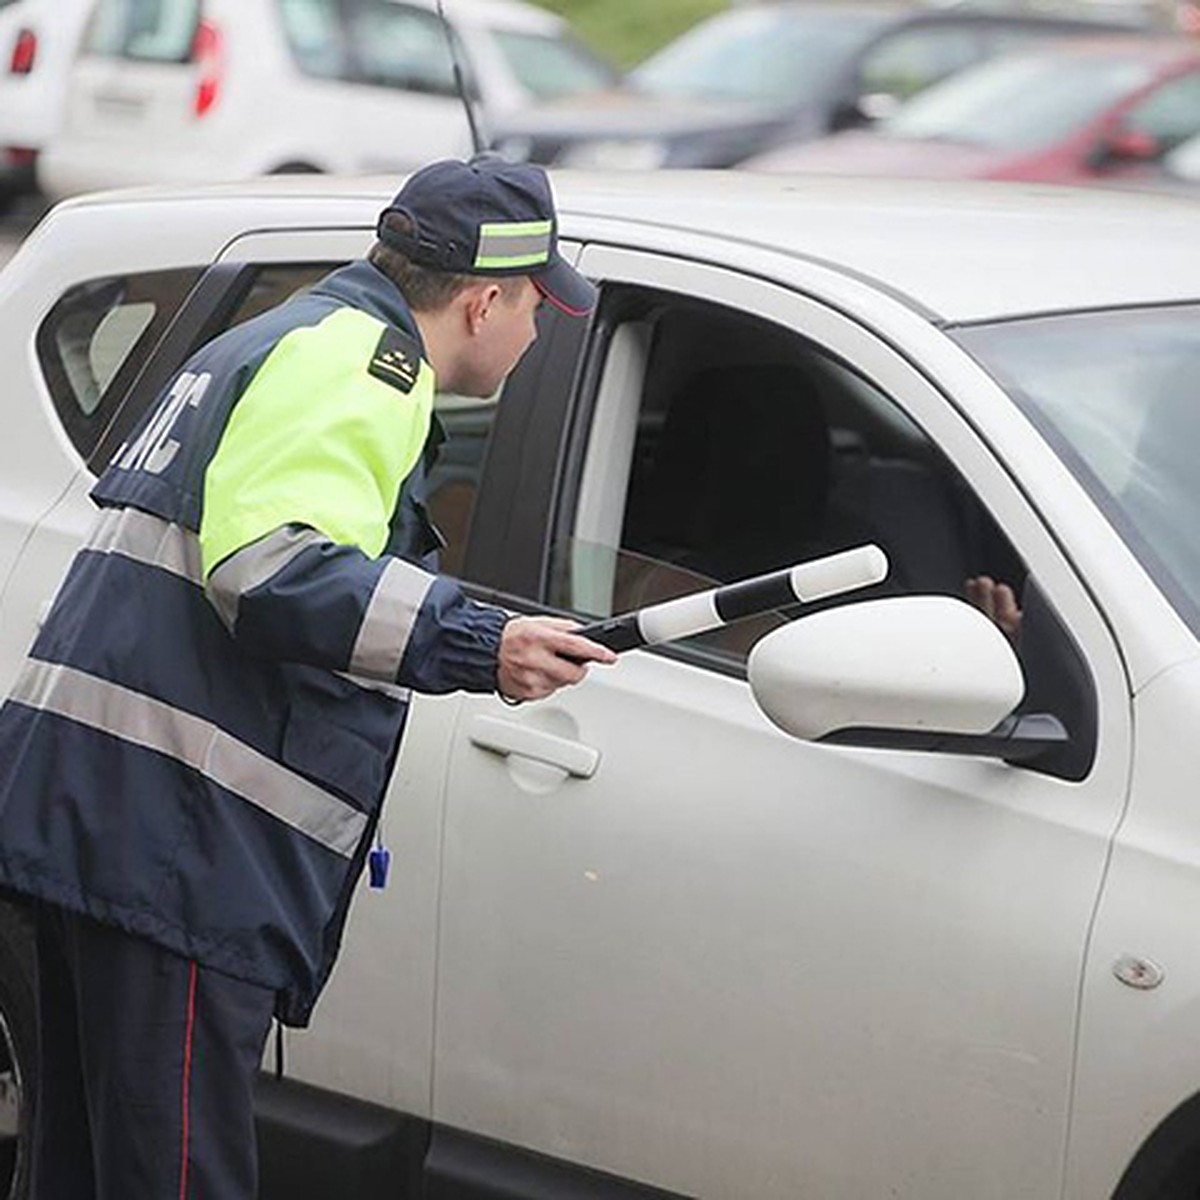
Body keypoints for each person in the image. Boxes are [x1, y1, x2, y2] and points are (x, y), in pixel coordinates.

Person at [0, 155, 615, 1199]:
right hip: (171, 849)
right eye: (538, 307)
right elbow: (267, 565)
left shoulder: (286, 335)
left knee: (81, 1169)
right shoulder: (362, 364)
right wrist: (482, 642)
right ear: (485, 300)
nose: (538, 331)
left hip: (90, 819)